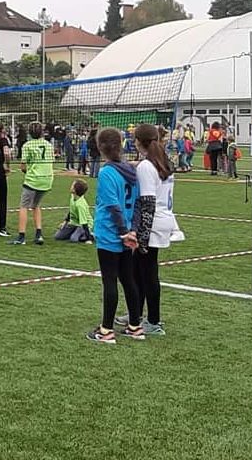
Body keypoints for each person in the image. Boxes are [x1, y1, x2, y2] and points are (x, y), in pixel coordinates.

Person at [86, 128, 143, 344]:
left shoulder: (107, 172)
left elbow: (112, 205)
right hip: (127, 233)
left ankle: (106, 330)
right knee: (128, 280)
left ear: (101, 148)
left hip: (112, 234)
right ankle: (135, 326)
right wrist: (133, 230)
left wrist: (123, 232)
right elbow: (137, 203)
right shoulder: (130, 170)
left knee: (110, 281)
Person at [120, 124, 175, 336]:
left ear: (139, 142)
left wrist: (141, 236)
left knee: (147, 273)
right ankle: (137, 314)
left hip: (151, 224)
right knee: (140, 271)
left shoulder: (147, 166)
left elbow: (148, 203)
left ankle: (153, 321)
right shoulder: (162, 162)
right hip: (164, 220)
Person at [10, 122, 53, 245]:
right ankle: (39, 234)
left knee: (24, 206)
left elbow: (23, 166)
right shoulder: (48, 145)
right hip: (47, 179)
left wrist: (27, 169)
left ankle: (21, 236)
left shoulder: (27, 145)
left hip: (33, 179)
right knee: (36, 205)